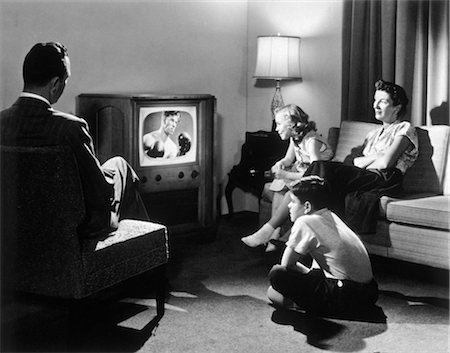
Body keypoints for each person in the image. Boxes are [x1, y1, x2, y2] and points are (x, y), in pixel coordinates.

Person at [0, 42, 149, 240]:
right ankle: (146, 256)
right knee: (120, 166)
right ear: (55, 84)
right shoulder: (70, 128)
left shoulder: (1, 122)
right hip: (76, 227)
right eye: (65, 80)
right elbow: (100, 193)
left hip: (19, 226)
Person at [301, 79, 419, 234]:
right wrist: (377, 155)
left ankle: (288, 231)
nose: (375, 105)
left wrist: (373, 160)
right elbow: (355, 161)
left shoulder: (405, 128)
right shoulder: (372, 134)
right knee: (320, 177)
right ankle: (316, 233)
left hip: (385, 179)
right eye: (375, 100)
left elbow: (385, 164)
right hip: (367, 176)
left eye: (382, 102)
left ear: (397, 107)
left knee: (320, 168)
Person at [267, 176, 379, 317]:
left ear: (307, 206)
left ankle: (296, 304)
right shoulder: (330, 215)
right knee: (312, 272)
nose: (289, 206)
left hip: (346, 296)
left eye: (293, 202)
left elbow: (286, 266)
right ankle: (302, 301)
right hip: (369, 293)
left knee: (277, 275)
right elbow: (320, 265)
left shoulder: (305, 222)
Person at [241, 104, 332, 250]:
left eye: (278, 124)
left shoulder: (311, 140)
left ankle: (268, 233)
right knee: (277, 188)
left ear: (291, 124)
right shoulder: (295, 138)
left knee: (288, 189)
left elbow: (316, 171)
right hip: (303, 175)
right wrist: (280, 164)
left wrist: (286, 174)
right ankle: (273, 235)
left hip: (319, 180)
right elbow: (289, 159)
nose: (276, 128)